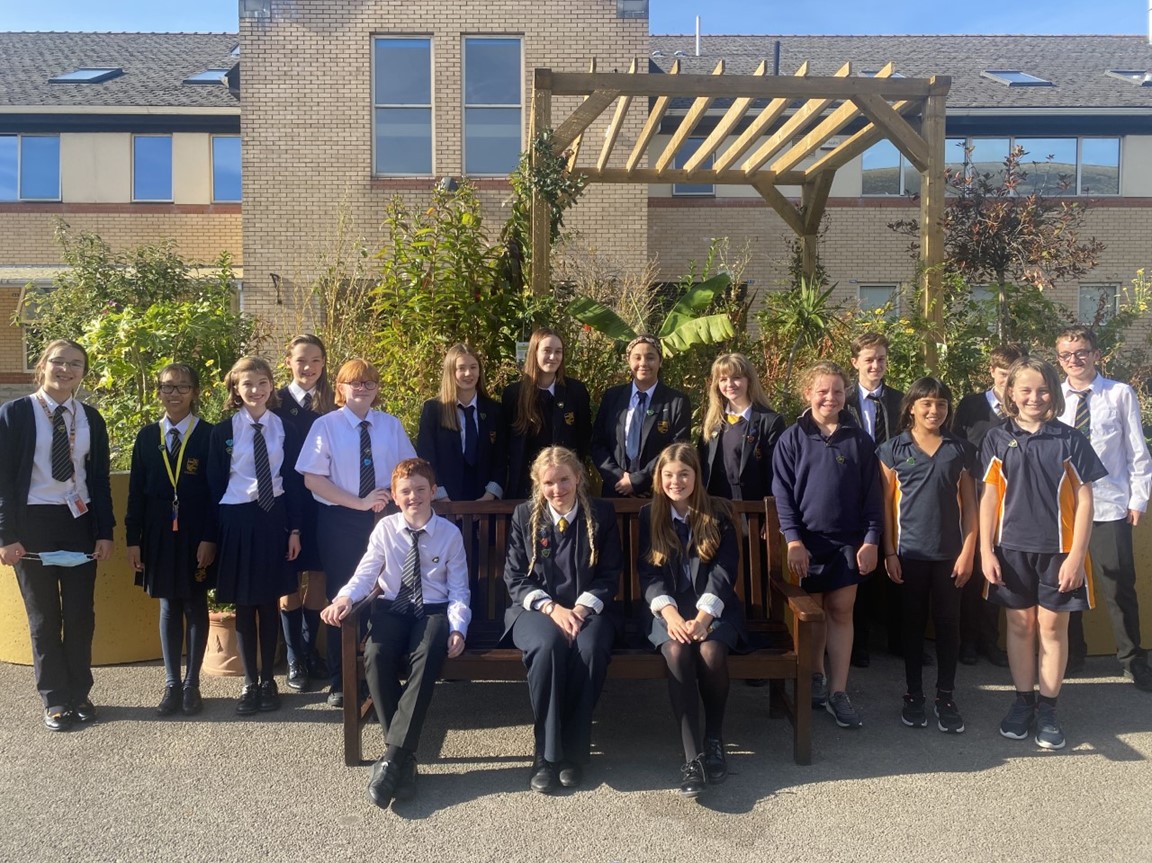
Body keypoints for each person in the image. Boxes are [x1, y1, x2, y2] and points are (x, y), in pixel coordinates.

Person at [320, 458, 469, 809]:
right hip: (391, 608)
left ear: (433, 491)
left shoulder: (450, 534)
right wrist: (344, 597)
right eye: (406, 491)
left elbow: (460, 590)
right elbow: (366, 573)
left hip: (432, 611)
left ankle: (391, 758)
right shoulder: (385, 529)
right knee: (375, 654)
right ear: (395, 497)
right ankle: (402, 757)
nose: (413, 496)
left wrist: (459, 627)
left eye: (420, 489)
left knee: (429, 649)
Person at [979, 357, 1106, 750]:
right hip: (1011, 550)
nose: (1035, 397)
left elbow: (1086, 501)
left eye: (1043, 389)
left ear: (1053, 392)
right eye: (1026, 390)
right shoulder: (996, 439)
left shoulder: (1070, 439)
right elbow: (988, 498)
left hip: (1059, 552)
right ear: (1011, 394)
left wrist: (1075, 556)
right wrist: (986, 550)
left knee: (1052, 629)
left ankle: (1048, 709)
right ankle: (1023, 703)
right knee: (1020, 627)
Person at [0, 339, 114, 731]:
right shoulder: (15, 413)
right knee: (44, 616)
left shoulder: (90, 418)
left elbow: (97, 479)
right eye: (59, 362)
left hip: (78, 521)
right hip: (32, 525)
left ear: (83, 372)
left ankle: (80, 692)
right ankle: (54, 699)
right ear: (43, 365)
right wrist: (6, 535)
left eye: (76, 364)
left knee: (81, 614)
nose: (66, 370)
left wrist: (104, 532)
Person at [296, 358, 416, 707]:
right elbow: (312, 478)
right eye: (354, 383)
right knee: (343, 596)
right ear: (341, 388)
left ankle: (381, 675)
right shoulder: (325, 426)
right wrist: (358, 502)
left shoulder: (390, 425)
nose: (362, 388)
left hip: (385, 521)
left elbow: (408, 471)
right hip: (340, 522)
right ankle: (342, 681)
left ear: (377, 389)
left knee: (385, 595)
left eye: (369, 383)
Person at [503, 446, 622, 793]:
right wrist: (553, 609)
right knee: (548, 645)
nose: (558, 489)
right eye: (549, 483)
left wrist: (581, 609)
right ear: (538, 484)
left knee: (591, 648)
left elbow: (610, 573)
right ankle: (545, 754)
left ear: (579, 478)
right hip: (535, 610)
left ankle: (573, 752)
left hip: (590, 609)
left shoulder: (600, 513)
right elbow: (514, 577)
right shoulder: (525, 515)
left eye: (564, 480)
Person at [772, 361, 882, 730]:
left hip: (847, 543)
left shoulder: (859, 439)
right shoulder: (791, 437)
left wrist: (870, 540)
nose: (830, 397)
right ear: (808, 393)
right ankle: (816, 677)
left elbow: (873, 496)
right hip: (806, 543)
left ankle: (838, 691)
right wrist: (793, 541)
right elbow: (782, 495)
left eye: (837, 391)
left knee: (841, 611)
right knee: (813, 614)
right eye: (822, 390)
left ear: (845, 394)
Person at [638, 443, 745, 797]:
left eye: (684, 474)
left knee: (711, 654)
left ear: (696, 476)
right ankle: (692, 757)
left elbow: (724, 571)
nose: (676, 481)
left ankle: (714, 738)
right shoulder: (648, 515)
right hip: (667, 610)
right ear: (659, 478)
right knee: (678, 653)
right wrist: (670, 614)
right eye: (668, 475)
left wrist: (702, 617)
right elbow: (649, 576)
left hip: (714, 607)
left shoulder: (718, 512)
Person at [1055, 326, 1152, 690]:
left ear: (1096, 354)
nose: (1074, 360)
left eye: (1081, 352)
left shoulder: (1119, 394)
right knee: (1068, 583)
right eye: (1066, 354)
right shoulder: (1054, 397)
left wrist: (1138, 498)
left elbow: (1136, 450)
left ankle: (1132, 659)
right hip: (1065, 507)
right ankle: (1072, 654)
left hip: (1110, 504)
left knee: (1118, 583)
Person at [878, 378, 977, 733]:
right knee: (912, 625)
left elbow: (970, 508)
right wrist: (889, 551)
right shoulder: (892, 450)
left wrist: (968, 553)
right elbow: (886, 509)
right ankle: (914, 694)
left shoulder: (961, 450)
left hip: (951, 555)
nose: (934, 411)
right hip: (909, 554)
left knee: (949, 626)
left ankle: (946, 696)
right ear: (911, 408)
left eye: (941, 404)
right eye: (927, 404)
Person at [207, 356, 303, 715]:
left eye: (262, 383)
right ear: (235, 389)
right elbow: (215, 485)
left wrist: (295, 529)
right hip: (238, 519)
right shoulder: (223, 431)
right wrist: (217, 534)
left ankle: (269, 680)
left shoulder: (286, 429)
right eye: (247, 384)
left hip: (273, 518)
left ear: (271, 387)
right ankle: (249, 683)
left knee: (269, 601)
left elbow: (293, 483)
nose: (256, 390)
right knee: (245, 605)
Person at [126, 363, 216, 717]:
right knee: (167, 606)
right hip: (158, 533)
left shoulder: (209, 435)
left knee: (195, 603)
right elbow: (135, 493)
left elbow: (215, 493)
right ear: (158, 392)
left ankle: (192, 684)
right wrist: (134, 539)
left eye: (182, 387)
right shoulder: (148, 437)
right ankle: (171, 684)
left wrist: (210, 537)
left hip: (196, 535)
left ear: (195, 392)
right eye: (167, 387)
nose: (174, 393)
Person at [952, 344, 1024, 668]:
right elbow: (954, 444)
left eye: (1014, 375)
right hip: (974, 491)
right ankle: (967, 640)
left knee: (998, 568)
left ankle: (989, 641)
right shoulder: (970, 405)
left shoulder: (1022, 408)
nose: (1008, 381)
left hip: (1010, 496)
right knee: (972, 566)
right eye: (1004, 373)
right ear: (992, 371)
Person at [273, 334, 334, 692]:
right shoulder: (274, 400)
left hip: (324, 502)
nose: (308, 367)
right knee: (290, 577)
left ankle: (310, 651)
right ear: (289, 362)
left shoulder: (331, 401)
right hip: (284, 501)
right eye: (301, 360)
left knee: (319, 573)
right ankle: (295, 656)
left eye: (315, 361)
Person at [844, 332, 904, 669]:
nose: (876, 365)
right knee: (861, 566)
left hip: (895, 491)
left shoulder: (900, 400)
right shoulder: (843, 400)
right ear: (855, 362)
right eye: (869, 359)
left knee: (897, 562)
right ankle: (860, 644)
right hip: (855, 492)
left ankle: (899, 640)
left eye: (881, 358)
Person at [591, 335, 692, 498]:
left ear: (660, 361)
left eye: (650, 357)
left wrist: (638, 480)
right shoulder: (612, 397)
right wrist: (619, 478)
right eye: (637, 358)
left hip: (656, 492)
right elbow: (598, 444)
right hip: (615, 490)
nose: (643, 363)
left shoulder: (676, 402)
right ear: (629, 362)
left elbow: (677, 448)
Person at [501, 329, 591, 499]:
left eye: (558, 352)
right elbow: (505, 443)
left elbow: (583, 438)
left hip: (564, 486)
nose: (553, 357)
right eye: (547, 351)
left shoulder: (576, 391)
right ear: (534, 352)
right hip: (525, 486)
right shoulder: (513, 394)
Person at [416, 343, 505, 502]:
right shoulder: (433, 410)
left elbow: (501, 459)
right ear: (451, 372)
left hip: (486, 504)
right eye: (461, 368)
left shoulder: (495, 410)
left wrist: (490, 495)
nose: (468, 373)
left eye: (473, 367)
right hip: (445, 503)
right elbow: (427, 457)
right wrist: (442, 497)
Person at [698, 352, 784, 503]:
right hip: (716, 509)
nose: (729, 384)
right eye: (723, 379)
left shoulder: (770, 422)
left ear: (749, 380)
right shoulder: (712, 423)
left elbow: (775, 475)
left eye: (736, 378)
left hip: (754, 514)